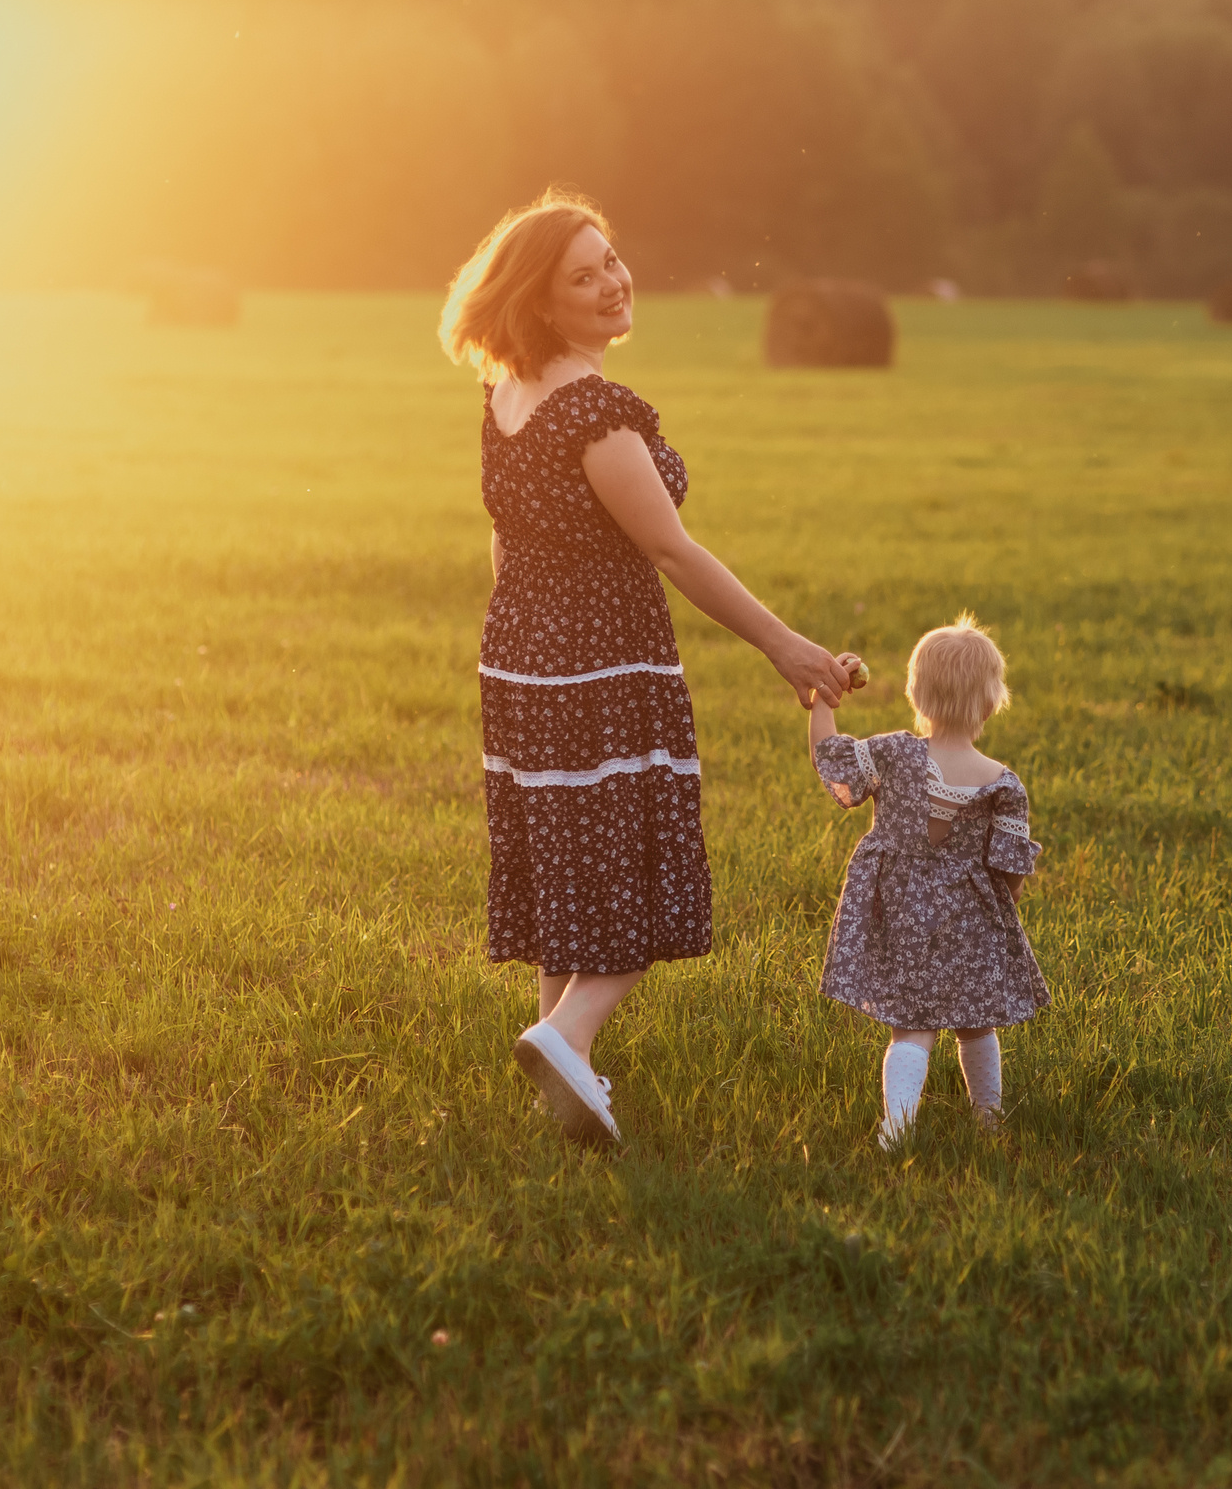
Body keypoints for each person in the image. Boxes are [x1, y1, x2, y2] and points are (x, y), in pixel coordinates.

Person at [442, 189, 851, 1147]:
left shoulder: (504, 398)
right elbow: (672, 552)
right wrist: (787, 646)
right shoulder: (597, 413)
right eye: (581, 277)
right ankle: (568, 1031)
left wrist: (519, 644)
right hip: (603, 668)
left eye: (611, 261)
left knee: (564, 869)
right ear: (541, 302)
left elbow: (508, 543)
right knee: (637, 871)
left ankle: (564, 1059)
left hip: (520, 665)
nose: (611, 284)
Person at [808, 615, 1049, 1149]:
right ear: (991, 701)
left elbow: (835, 767)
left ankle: (897, 1128)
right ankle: (988, 1119)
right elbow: (1011, 874)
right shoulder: (1004, 784)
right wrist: (992, 914)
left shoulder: (894, 754)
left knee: (911, 1026)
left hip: (901, 915)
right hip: (971, 920)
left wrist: (822, 700)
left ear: (916, 693)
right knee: (975, 1023)